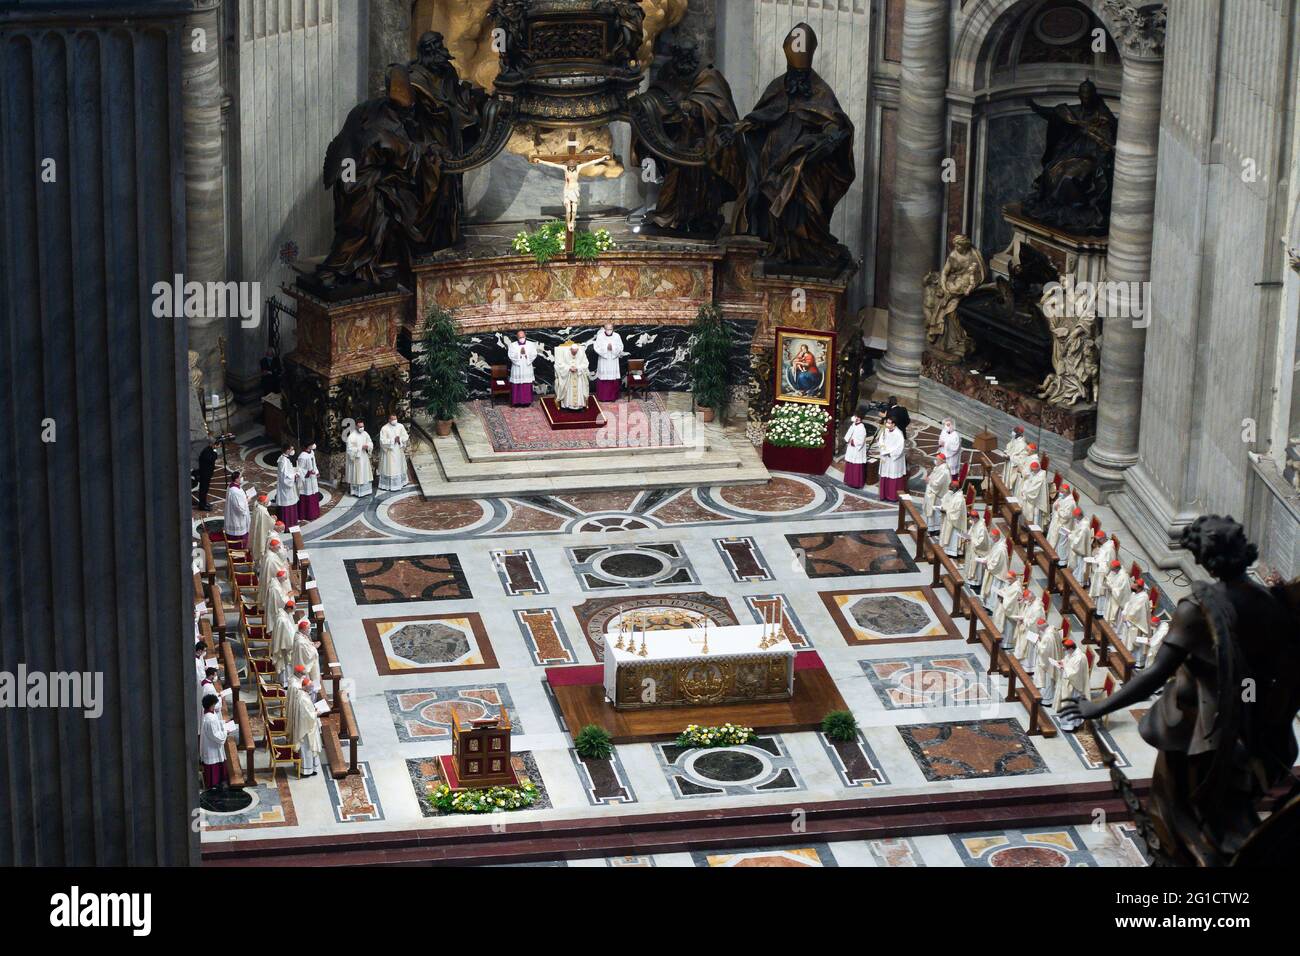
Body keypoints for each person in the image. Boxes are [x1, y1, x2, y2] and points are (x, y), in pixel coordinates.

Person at [286, 677, 322, 778]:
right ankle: (306, 770)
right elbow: (307, 715)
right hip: (305, 729)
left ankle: (312, 768)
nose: (311, 688)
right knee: (307, 749)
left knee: (309, 748)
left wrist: (313, 710)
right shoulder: (303, 698)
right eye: (310, 686)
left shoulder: (303, 694)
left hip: (307, 726)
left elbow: (307, 711)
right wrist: (316, 713)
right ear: (305, 687)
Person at [199, 693, 229, 790]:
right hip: (212, 747)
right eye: (214, 704)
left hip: (210, 745)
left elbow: (216, 723)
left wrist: (223, 723)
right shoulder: (209, 719)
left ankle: (216, 782)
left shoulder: (209, 714)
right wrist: (225, 732)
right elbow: (215, 735)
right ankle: (213, 783)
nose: (215, 706)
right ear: (211, 705)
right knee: (213, 764)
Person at [1052, 637, 1091, 710]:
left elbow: (1075, 673)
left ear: (1070, 649)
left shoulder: (1079, 658)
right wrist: (1062, 662)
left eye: (1065, 649)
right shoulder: (1072, 653)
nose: (1065, 651)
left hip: (1074, 685)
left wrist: (1064, 667)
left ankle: (1073, 721)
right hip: (1068, 681)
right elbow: (1067, 659)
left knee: (1071, 702)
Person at [553, 341, 592, 411]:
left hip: (579, 375)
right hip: (568, 376)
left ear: (577, 350)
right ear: (570, 349)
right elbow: (560, 364)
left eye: (576, 352)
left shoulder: (581, 353)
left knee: (580, 386)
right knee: (568, 389)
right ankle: (567, 405)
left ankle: (579, 405)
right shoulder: (565, 354)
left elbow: (585, 363)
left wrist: (578, 368)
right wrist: (569, 368)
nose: (574, 353)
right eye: (573, 352)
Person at [591, 322, 625, 402]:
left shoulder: (617, 336)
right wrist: (606, 348)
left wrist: (612, 348)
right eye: (607, 329)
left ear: (613, 329)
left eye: (610, 329)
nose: (609, 331)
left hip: (613, 360)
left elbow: (621, 347)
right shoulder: (600, 336)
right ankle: (603, 397)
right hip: (604, 360)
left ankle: (613, 397)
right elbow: (596, 347)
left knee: (613, 378)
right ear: (604, 328)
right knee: (604, 377)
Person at [876, 417, 907, 502]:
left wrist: (890, 453)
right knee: (885, 474)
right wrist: (883, 450)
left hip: (893, 459)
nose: (887, 424)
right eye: (887, 422)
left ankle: (892, 496)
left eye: (889, 423)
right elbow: (881, 441)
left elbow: (900, 447)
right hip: (885, 456)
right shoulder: (885, 431)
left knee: (893, 476)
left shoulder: (898, 434)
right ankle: (884, 494)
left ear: (893, 424)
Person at [378, 413, 410, 492]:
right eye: (392, 419)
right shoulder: (384, 428)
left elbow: (406, 436)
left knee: (399, 467)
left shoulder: (400, 426)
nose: (394, 421)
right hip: (389, 452)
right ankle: (389, 484)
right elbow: (382, 441)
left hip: (398, 451)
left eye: (395, 419)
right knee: (391, 468)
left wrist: (400, 439)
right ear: (389, 420)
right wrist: (393, 440)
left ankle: (401, 483)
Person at [1037, 618, 1066, 702]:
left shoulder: (1047, 637)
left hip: (1048, 662)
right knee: (1050, 679)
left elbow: (1044, 651)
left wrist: (1037, 643)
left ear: (1042, 628)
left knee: (1048, 680)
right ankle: (1050, 696)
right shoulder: (1053, 630)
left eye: (1039, 628)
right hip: (1054, 657)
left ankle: (1047, 699)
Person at [508, 330, 538, 407]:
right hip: (517, 367)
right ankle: (516, 402)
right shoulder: (512, 345)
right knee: (517, 384)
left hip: (527, 367)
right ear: (517, 337)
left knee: (526, 384)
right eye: (520, 337)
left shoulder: (531, 344)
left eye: (523, 337)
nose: (522, 338)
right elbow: (511, 355)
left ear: (525, 336)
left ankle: (526, 402)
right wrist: (519, 356)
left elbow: (534, 354)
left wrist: (526, 356)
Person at [963, 508, 991, 591]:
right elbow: (971, 532)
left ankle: (976, 583)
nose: (971, 521)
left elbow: (982, 542)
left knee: (976, 566)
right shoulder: (975, 523)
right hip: (972, 547)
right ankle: (970, 579)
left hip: (977, 550)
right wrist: (967, 537)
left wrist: (972, 540)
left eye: (972, 519)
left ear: (975, 518)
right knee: (970, 563)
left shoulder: (982, 528)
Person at [978, 532, 1009, 607]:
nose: (992, 539)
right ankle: (987, 605)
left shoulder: (1001, 549)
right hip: (994, 572)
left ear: (997, 537)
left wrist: (987, 564)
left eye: (993, 538)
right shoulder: (997, 545)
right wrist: (985, 559)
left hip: (997, 574)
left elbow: (995, 563)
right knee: (990, 590)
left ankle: (991, 607)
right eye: (991, 537)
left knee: (993, 591)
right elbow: (991, 555)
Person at [345, 422, 374, 497]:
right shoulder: (352, 436)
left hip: (364, 457)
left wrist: (368, 446)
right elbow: (349, 449)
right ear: (356, 427)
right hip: (356, 459)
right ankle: (356, 492)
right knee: (358, 474)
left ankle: (366, 491)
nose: (362, 428)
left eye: (363, 426)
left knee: (365, 473)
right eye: (360, 426)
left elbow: (370, 442)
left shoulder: (365, 434)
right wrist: (360, 448)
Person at [223, 472, 250, 549]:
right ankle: (238, 552)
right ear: (236, 479)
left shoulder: (233, 486)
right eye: (241, 477)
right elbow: (239, 508)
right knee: (238, 538)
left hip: (234, 516)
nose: (242, 478)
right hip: (237, 519)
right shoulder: (234, 491)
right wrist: (247, 500)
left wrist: (245, 498)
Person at [938, 481, 966, 556]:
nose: (950, 489)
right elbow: (951, 506)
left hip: (955, 523)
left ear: (955, 488)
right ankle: (947, 550)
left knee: (953, 537)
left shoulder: (959, 499)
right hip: (950, 518)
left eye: (951, 488)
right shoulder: (955, 495)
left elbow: (956, 513)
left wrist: (946, 511)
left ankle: (952, 552)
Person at [290, 619, 321, 687]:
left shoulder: (299, 635)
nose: (310, 629)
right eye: (308, 628)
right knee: (307, 683)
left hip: (299, 661)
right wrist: (315, 647)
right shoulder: (300, 642)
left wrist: (312, 644)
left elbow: (307, 645)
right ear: (303, 630)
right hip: (302, 664)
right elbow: (308, 655)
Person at [275, 443, 300, 528]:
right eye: (291, 449)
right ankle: (288, 525)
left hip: (289, 485)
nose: (293, 451)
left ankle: (292, 523)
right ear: (287, 450)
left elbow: (288, 471)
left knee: (292, 502)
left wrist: (294, 472)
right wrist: (294, 476)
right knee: (287, 505)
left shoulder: (285, 459)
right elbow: (284, 476)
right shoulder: (283, 461)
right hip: (286, 487)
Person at [923, 454, 949, 534]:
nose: (935, 461)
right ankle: (931, 527)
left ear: (942, 461)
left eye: (937, 460)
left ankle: (936, 529)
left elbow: (937, 484)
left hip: (937, 495)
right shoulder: (937, 468)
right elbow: (933, 477)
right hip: (933, 492)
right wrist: (928, 478)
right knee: (932, 512)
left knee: (936, 512)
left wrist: (928, 481)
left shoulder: (944, 471)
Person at [1020, 460, 1049, 527]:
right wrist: (1024, 489)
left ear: (1037, 469)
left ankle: (1034, 529)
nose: (1032, 471)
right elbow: (1028, 481)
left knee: (1035, 515)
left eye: (1033, 470)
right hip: (1031, 496)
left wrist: (1026, 493)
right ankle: (1026, 525)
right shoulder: (1034, 473)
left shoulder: (1041, 477)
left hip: (1037, 500)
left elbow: (1034, 489)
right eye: (1032, 470)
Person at [842, 414, 868, 489]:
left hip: (857, 449)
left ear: (860, 419)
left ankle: (856, 483)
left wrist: (853, 441)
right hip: (851, 448)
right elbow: (849, 433)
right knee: (850, 464)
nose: (856, 418)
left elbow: (861, 440)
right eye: (855, 416)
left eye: (858, 417)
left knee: (856, 466)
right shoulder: (853, 425)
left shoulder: (862, 428)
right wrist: (848, 439)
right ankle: (849, 481)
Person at [297, 443, 321, 521]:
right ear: (308, 445)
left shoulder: (312, 452)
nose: (314, 445)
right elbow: (300, 469)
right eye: (312, 444)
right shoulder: (302, 456)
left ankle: (315, 513)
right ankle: (307, 515)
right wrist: (308, 472)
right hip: (306, 480)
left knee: (314, 494)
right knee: (307, 495)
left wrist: (316, 472)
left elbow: (314, 464)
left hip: (313, 478)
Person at [195, 438, 219, 512]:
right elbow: (213, 458)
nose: (216, 446)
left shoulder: (209, 449)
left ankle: (204, 503)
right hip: (204, 473)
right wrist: (215, 451)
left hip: (207, 473)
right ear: (211, 444)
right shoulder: (206, 451)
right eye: (214, 444)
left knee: (205, 489)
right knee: (203, 489)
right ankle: (202, 505)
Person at [250, 494, 273, 561]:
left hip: (257, 531)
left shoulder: (257, 507)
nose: (268, 503)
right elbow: (269, 524)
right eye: (267, 501)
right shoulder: (263, 511)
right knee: (260, 549)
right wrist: (273, 520)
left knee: (256, 548)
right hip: (261, 534)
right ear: (264, 503)